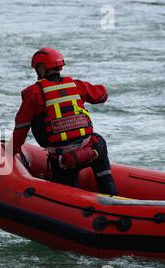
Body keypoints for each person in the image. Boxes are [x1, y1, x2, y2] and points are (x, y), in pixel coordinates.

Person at [9, 47, 118, 195]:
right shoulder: (77, 85)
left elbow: (21, 126)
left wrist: (13, 150)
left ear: (41, 69)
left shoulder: (34, 93)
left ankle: (70, 207)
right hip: (93, 149)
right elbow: (102, 95)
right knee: (103, 169)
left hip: (64, 159)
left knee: (67, 193)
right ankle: (113, 198)